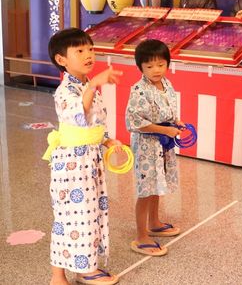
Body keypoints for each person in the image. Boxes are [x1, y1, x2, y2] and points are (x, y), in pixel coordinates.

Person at [46, 28, 123, 285]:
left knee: (90, 215)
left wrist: (108, 141)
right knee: (71, 216)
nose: (88, 54)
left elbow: (94, 123)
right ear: (61, 60)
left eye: (90, 49)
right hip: (72, 164)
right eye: (79, 50)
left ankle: (84, 267)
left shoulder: (86, 85)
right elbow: (79, 117)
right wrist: (93, 84)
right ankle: (58, 276)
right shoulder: (65, 90)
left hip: (88, 160)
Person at [126, 39, 183, 257]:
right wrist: (165, 130)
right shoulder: (139, 90)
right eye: (149, 66)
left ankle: (154, 222)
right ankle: (141, 236)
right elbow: (134, 122)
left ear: (167, 63)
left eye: (160, 64)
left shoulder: (166, 84)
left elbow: (169, 110)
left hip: (161, 143)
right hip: (146, 146)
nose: (156, 70)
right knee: (146, 189)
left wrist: (177, 122)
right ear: (140, 67)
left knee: (157, 185)